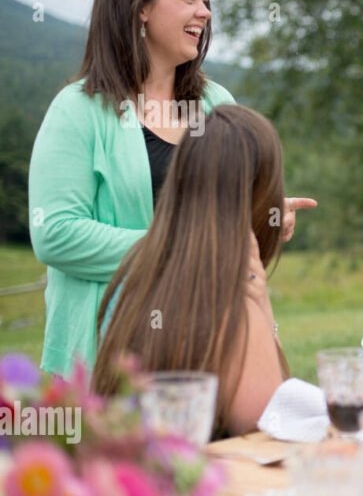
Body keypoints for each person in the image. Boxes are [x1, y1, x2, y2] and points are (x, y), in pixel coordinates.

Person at [28, 0, 314, 376]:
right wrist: (181, 247)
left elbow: (230, 225)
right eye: (189, 0)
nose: (205, 13)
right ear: (141, 8)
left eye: (207, 2)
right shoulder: (77, 109)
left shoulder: (218, 103)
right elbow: (56, 234)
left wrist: (266, 217)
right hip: (110, 356)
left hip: (210, 343)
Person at [93, 105, 289, 438]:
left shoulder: (134, 273)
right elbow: (273, 425)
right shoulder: (236, 295)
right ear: (257, 192)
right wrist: (261, 310)